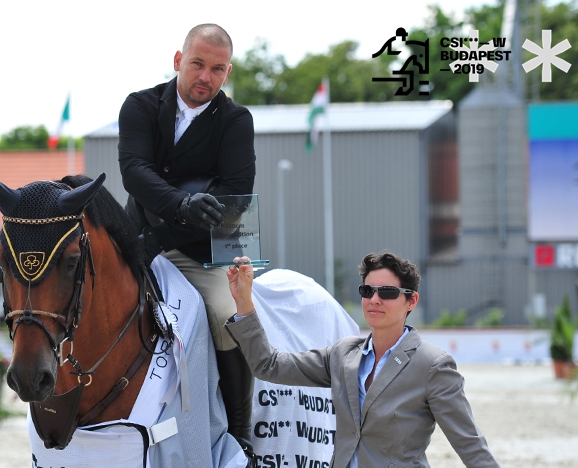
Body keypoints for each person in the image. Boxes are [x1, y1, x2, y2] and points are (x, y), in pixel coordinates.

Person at [118, 23, 257, 461]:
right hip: (137, 235)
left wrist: (165, 232)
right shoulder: (140, 105)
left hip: (204, 249)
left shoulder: (236, 121)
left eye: (217, 69)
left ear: (227, 72)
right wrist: (180, 204)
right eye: (197, 64)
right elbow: (134, 171)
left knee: (224, 313)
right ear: (179, 61)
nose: (205, 77)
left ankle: (238, 431)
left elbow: (234, 197)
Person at [225, 253, 501, 468]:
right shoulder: (343, 354)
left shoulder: (433, 366)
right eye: (368, 291)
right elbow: (268, 365)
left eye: (388, 293)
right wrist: (245, 302)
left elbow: (469, 444)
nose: (375, 300)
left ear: (411, 301)